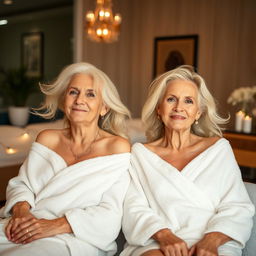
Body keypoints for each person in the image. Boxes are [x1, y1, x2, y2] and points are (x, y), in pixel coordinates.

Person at [121, 65, 254, 256]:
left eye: (188, 101)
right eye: (171, 99)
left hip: (213, 241)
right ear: (159, 108)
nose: (179, 107)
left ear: (198, 112)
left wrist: (211, 240)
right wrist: (164, 235)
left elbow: (237, 205)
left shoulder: (218, 150)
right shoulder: (140, 154)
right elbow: (133, 207)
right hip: (156, 241)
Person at [0, 62, 131, 256]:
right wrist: (21, 214)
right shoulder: (47, 138)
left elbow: (111, 212)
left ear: (104, 108)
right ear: (64, 101)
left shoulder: (116, 147)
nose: (80, 100)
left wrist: (53, 226)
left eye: (90, 94)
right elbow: (22, 185)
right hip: (24, 223)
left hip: (74, 237)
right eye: (73, 92)